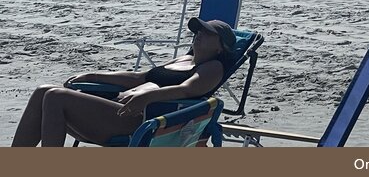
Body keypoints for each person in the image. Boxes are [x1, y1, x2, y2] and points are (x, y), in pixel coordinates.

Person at [11, 17, 235, 147]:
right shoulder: (184, 58)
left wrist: (146, 96)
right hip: (119, 109)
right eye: (198, 31)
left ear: (220, 47)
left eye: (207, 33)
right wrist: (94, 76)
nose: (198, 34)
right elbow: (140, 77)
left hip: (142, 121)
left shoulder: (213, 66)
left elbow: (188, 90)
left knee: (55, 97)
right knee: (43, 91)